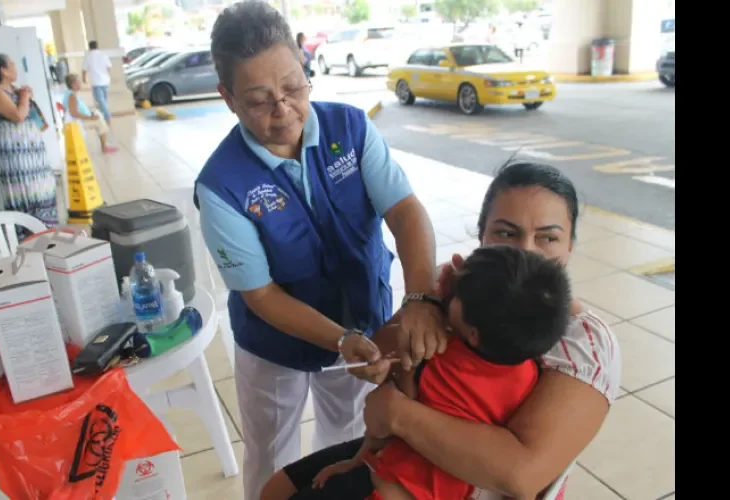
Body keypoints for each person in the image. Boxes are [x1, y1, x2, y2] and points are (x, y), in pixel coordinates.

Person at [196, 3, 444, 499]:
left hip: (363, 322)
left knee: (347, 441)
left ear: (305, 67)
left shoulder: (349, 130)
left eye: (292, 87)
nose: (282, 109)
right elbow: (262, 295)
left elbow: (405, 213)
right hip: (274, 345)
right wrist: (338, 338)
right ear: (228, 98)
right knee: (271, 455)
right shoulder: (222, 184)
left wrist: (420, 300)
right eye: (258, 100)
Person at [262, 162, 622, 500]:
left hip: (467, 484)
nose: (524, 252)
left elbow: (520, 474)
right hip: (403, 450)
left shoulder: (582, 343)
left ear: (571, 243)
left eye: (547, 238)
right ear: (481, 234)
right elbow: (371, 365)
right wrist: (426, 305)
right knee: (277, 489)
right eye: (506, 233)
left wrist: (398, 413)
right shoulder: (453, 290)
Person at [306, 245, 572, 500]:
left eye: (456, 296)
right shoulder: (534, 374)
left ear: (474, 334)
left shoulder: (435, 358)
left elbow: (381, 424)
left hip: (383, 486)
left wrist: (354, 462)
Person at [0, 54, 58, 233]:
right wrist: (24, 96)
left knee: (41, 189)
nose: (15, 69)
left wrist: (25, 95)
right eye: (12, 65)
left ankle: (46, 230)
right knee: (24, 191)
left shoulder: (14, 89)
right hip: (15, 153)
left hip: (32, 151)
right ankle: (28, 235)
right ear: (3, 70)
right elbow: (18, 116)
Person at [63, 74, 118, 154]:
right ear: (73, 84)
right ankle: (104, 148)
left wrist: (90, 114)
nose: (80, 83)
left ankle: (104, 145)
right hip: (77, 122)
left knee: (97, 113)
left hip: (80, 119)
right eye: (78, 82)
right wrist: (90, 118)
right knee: (100, 121)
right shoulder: (72, 96)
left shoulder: (71, 93)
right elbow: (74, 113)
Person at [83, 40, 113, 126]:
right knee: (104, 101)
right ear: (97, 46)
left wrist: (84, 79)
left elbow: (84, 69)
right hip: (105, 81)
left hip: (96, 82)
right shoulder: (103, 55)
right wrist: (107, 75)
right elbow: (109, 68)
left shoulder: (88, 56)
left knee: (101, 101)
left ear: (89, 47)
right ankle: (104, 117)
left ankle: (107, 117)